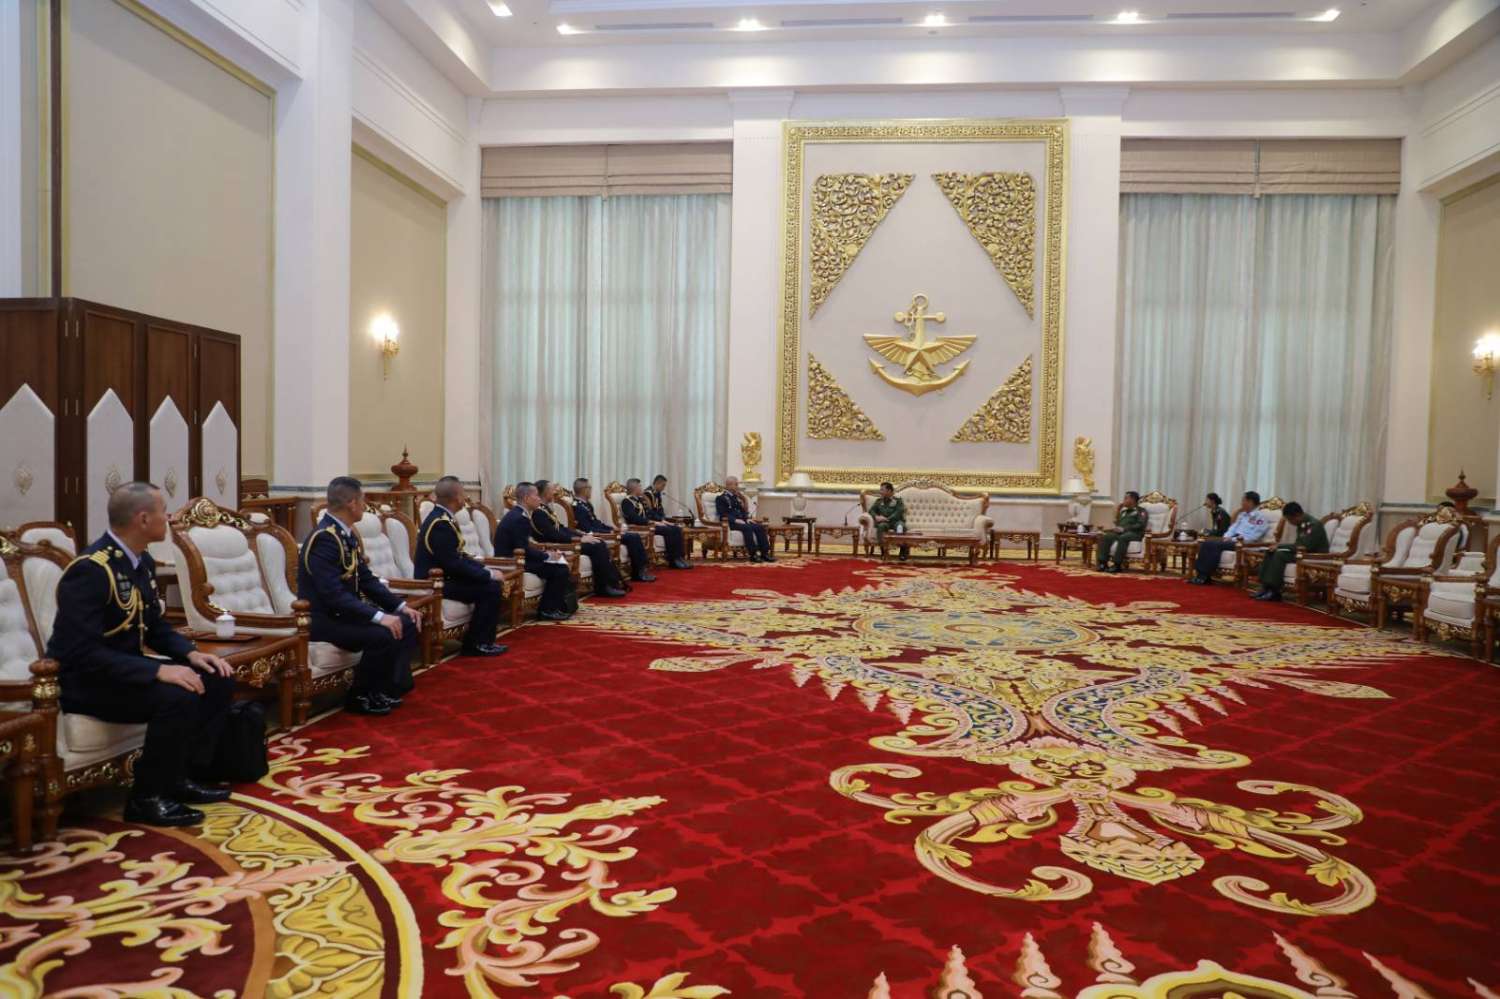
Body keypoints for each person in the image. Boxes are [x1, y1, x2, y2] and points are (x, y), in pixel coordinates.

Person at [46, 482, 237, 827]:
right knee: (178, 696)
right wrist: (157, 672)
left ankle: (180, 778)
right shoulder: (92, 569)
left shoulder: (140, 560)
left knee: (216, 677)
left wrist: (190, 655)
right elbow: (81, 652)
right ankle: (147, 798)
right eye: (164, 511)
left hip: (123, 672)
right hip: (87, 682)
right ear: (143, 519)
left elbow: (155, 627)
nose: (169, 518)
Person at [299, 477, 423, 715]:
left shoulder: (345, 534)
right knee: (382, 634)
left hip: (345, 614)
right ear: (351, 503)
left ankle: (384, 689)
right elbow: (333, 595)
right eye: (362, 500)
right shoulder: (324, 539)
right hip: (325, 620)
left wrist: (399, 607)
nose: (365, 505)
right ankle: (359, 696)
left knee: (407, 622)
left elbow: (366, 579)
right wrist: (379, 617)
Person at [412, 476, 508, 657]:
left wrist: (485, 570)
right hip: (434, 582)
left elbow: (459, 556)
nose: (465, 498)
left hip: (446, 577)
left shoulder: (443, 518)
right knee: (490, 589)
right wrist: (487, 575)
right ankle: (477, 644)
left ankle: (481, 640)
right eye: (463, 494)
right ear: (456, 497)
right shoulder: (440, 524)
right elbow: (453, 563)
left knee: (490, 584)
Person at [495, 482, 576, 620]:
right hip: (512, 561)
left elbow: (525, 546)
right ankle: (547, 610)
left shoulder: (519, 514)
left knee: (559, 564)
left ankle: (555, 606)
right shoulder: (519, 518)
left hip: (518, 557)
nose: (539, 499)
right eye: (536, 496)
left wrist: (547, 554)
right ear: (527, 498)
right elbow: (522, 549)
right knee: (560, 569)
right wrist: (547, 556)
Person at [533, 479, 627, 598]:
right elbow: (553, 535)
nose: (555, 493)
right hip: (556, 545)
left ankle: (612, 583)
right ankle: (603, 587)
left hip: (565, 541)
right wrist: (576, 539)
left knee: (598, 542)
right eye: (552, 490)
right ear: (546, 493)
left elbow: (562, 528)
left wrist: (582, 536)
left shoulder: (546, 509)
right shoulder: (539, 512)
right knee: (597, 546)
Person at [572, 478, 654, 582]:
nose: (591, 490)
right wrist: (609, 532)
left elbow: (596, 522)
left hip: (601, 532)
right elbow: (587, 528)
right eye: (590, 488)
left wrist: (612, 528)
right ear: (584, 490)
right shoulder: (578, 507)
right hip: (594, 535)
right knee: (632, 537)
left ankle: (640, 570)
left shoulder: (586, 504)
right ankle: (638, 573)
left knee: (634, 536)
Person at [1189, 491, 1270, 585]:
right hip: (1232, 541)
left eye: (1243, 500)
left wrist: (1233, 539)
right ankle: (1201, 575)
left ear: (1250, 502)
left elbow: (1254, 537)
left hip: (1244, 544)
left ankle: (1204, 576)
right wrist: (1226, 537)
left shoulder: (1260, 517)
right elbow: (1233, 528)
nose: (1241, 503)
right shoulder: (1243, 515)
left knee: (1213, 545)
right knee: (1206, 543)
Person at [1254, 501, 1328, 601]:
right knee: (1270, 552)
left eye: (1289, 519)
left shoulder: (1313, 525)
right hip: (1302, 553)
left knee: (1279, 555)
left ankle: (1274, 590)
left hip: (1314, 556)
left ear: (1297, 515)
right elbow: (1299, 545)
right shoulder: (1302, 523)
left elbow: (1305, 546)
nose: (1289, 522)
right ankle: (1265, 586)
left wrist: (1279, 546)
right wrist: (1278, 547)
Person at [622, 477, 691, 569]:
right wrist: (652, 522)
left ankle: (679, 557)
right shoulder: (627, 501)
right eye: (639, 486)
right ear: (634, 488)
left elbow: (650, 513)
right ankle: (673, 560)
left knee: (676, 529)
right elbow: (634, 518)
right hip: (641, 526)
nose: (641, 488)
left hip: (649, 524)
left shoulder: (640, 499)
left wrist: (662, 520)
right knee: (669, 530)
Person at [717, 476, 774, 562]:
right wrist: (735, 520)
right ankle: (753, 554)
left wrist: (746, 518)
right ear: (729, 485)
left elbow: (742, 510)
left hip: (742, 521)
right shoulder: (721, 498)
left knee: (759, 527)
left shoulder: (736, 497)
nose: (737, 486)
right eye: (736, 484)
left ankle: (764, 553)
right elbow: (722, 514)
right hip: (730, 523)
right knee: (748, 528)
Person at [1095, 491, 1146, 572]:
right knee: (1106, 536)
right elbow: (1119, 523)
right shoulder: (1123, 511)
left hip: (1135, 533)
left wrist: (1124, 529)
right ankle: (1103, 563)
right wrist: (1117, 527)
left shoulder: (1141, 511)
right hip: (1121, 532)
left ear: (1132, 500)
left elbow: (1141, 524)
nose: (1124, 500)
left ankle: (1117, 564)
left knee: (1123, 537)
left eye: (1126, 498)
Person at [868, 481, 909, 560]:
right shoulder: (879, 501)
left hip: (896, 521)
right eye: (880, 490)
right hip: (884, 523)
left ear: (889, 491)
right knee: (881, 526)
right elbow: (871, 511)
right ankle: (884, 551)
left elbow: (898, 512)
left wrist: (887, 518)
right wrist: (876, 517)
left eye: (882, 490)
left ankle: (902, 551)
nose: (880, 492)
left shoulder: (898, 501)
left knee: (901, 526)